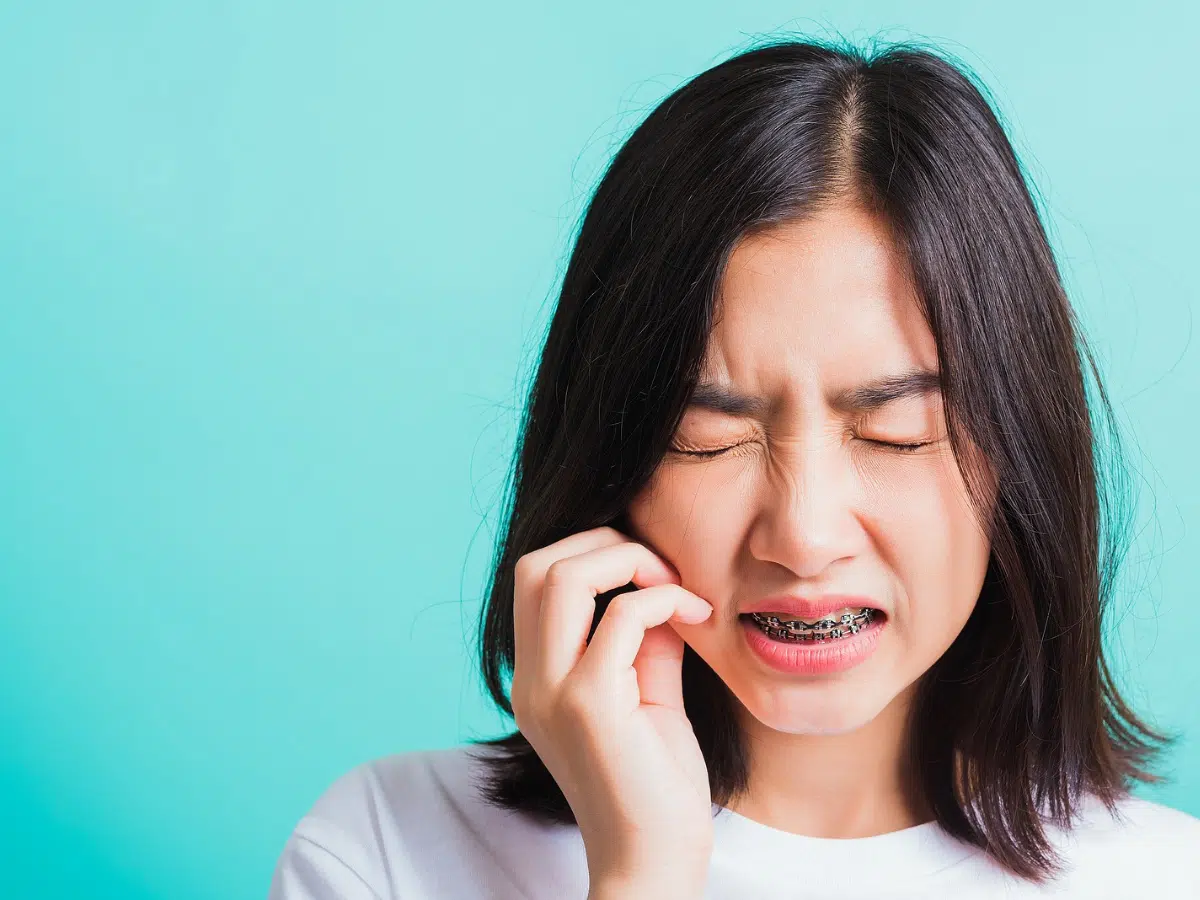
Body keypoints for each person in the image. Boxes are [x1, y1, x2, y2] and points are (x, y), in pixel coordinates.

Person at [268, 37, 1200, 898]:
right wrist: (643, 871)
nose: (805, 537)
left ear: (1021, 457)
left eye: (898, 431)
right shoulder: (383, 850)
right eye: (706, 437)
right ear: (606, 456)